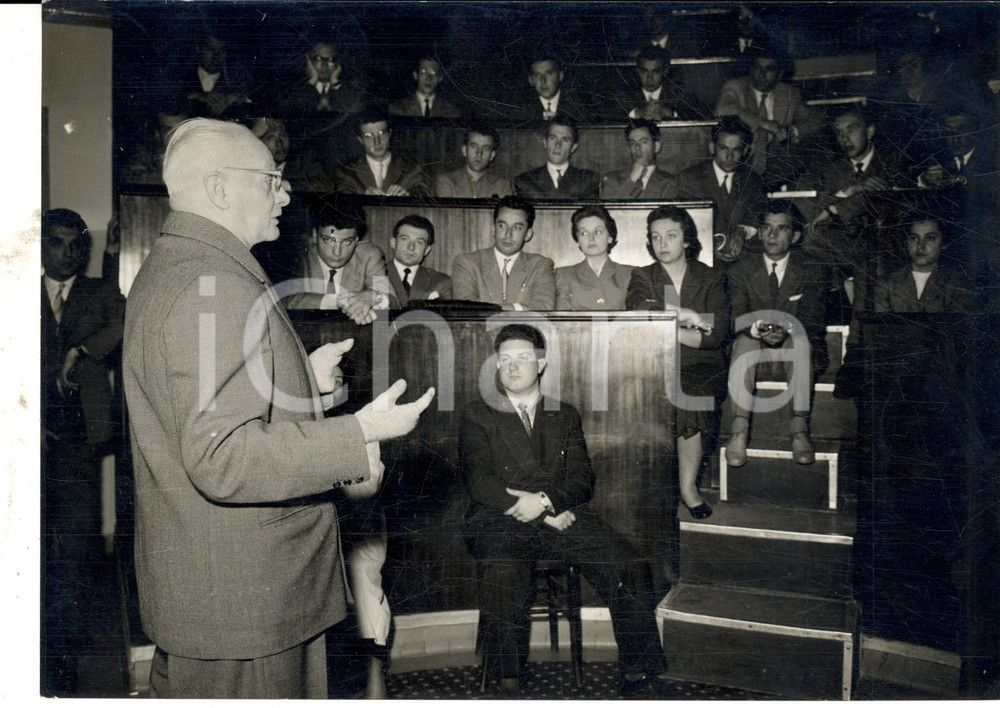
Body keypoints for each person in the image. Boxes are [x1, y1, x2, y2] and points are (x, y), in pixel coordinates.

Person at [122, 117, 434, 698]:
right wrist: (356, 432)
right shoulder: (208, 283)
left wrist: (299, 385)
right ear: (219, 189)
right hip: (247, 601)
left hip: (228, 587)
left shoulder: (187, 266)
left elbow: (199, 406)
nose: (286, 194)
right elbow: (222, 456)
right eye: (271, 180)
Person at [461, 324, 670, 697]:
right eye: (503, 359)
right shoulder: (479, 413)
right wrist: (543, 511)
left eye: (522, 358)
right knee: (504, 570)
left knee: (630, 564)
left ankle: (639, 674)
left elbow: (582, 479)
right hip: (500, 519)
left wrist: (545, 502)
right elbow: (480, 483)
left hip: (562, 517)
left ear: (541, 364)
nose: (511, 367)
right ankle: (506, 680)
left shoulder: (564, 414)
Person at [41, 208, 126, 696]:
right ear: (41, 245)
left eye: (77, 245)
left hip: (76, 442)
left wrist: (82, 351)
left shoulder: (96, 293)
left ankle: (69, 658)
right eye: (57, 242)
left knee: (76, 547)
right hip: (25, 441)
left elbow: (123, 318)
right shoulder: (15, 286)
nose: (68, 253)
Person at [626, 206, 728, 517]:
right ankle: (659, 487)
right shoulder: (643, 275)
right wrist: (684, 317)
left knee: (688, 395)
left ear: (686, 239)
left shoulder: (710, 277)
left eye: (670, 235)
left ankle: (687, 488)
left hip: (702, 365)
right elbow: (636, 313)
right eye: (655, 237)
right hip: (654, 363)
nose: (662, 243)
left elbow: (714, 336)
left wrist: (664, 323)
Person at [723, 201, 827, 468]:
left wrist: (787, 327)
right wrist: (757, 328)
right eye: (767, 228)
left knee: (802, 339)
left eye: (781, 229)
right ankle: (739, 431)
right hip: (754, 355)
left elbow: (814, 320)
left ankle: (799, 430)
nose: (772, 235)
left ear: (795, 236)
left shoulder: (812, 270)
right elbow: (735, 316)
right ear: (759, 232)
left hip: (794, 353)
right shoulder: (740, 270)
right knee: (745, 341)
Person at [796, 105, 905, 304]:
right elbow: (817, 214)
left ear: (870, 131)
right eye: (839, 132)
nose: (844, 138)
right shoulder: (832, 170)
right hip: (848, 247)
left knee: (868, 270)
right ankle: (836, 288)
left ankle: (843, 287)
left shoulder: (891, 162)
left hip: (883, 246)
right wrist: (852, 189)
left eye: (851, 129)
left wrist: (834, 208)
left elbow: (874, 201)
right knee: (811, 237)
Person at [715, 43, 822, 181]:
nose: (762, 74)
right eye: (757, 67)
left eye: (769, 69)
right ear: (751, 69)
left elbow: (816, 120)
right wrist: (764, 123)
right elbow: (723, 109)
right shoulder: (737, 87)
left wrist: (791, 131)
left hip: (777, 169)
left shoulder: (790, 94)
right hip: (739, 166)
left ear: (779, 74)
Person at [284, 199, 398, 323]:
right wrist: (340, 301)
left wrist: (373, 297)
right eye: (328, 240)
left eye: (347, 242)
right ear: (315, 236)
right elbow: (288, 300)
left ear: (357, 240)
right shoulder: (297, 253)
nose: (337, 252)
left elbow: (392, 299)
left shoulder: (369, 255)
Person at [678, 117, 766, 264]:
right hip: (701, 262)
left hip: (742, 265)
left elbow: (757, 216)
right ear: (712, 147)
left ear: (745, 151)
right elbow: (681, 225)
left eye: (736, 150)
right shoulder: (689, 179)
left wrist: (743, 231)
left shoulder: (753, 181)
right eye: (723, 148)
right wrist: (709, 246)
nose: (729, 157)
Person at [452, 195, 555, 310]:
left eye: (517, 228)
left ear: (528, 234)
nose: (508, 235)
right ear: (493, 229)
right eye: (502, 226)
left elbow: (543, 309)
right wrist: (518, 308)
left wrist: (489, 309)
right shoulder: (467, 263)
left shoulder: (540, 265)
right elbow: (466, 309)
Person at [874, 216, 975, 314]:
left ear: (943, 243)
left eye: (930, 238)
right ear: (907, 242)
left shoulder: (958, 284)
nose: (920, 246)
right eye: (914, 238)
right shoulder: (887, 283)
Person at [334, 109, 430, 197]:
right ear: (360, 140)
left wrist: (408, 196)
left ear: (389, 134)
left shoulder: (411, 168)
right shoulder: (346, 172)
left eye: (381, 133)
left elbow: (424, 196)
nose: (377, 141)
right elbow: (343, 203)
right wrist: (362, 198)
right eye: (369, 136)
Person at [554, 205, 633, 311]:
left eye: (598, 231)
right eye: (584, 233)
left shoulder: (630, 274)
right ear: (578, 240)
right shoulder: (564, 275)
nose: (591, 238)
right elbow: (561, 321)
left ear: (610, 237)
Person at [514, 116, 600, 199]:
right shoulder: (525, 180)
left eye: (565, 140)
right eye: (553, 138)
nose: (558, 145)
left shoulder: (588, 179)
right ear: (545, 143)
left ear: (573, 147)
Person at [600, 119, 681, 200]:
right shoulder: (611, 179)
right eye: (632, 143)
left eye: (644, 142)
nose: (637, 147)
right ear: (628, 148)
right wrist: (631, 180)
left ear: (656, 147)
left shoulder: (670, 182)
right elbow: (612, 211)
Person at [284, 40, 367, 115]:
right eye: (318, 59)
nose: (324, 65)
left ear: (337, 63)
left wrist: (335, 82)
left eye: (330, 59)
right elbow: (295, 111)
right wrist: (312, 81)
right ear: (308, 62)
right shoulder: (294, 89)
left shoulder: (348, 89)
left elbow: (354, 110)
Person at [385, 214, 453, 307]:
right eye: (404, 239)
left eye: (419, 242)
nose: (411, 247)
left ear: (427, 250)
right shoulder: (375, 275)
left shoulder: (441, 281)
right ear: (393, 243)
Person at [616, 46, 697, 121]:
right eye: (644, 72)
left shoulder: (679, 93)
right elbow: (609, 116)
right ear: (637, 71)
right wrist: (636, 113)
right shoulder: (623, 94)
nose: (649, 78)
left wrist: (670, 113)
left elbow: (696, 115)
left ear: (665, 71)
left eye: (655, 72)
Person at [509, 54, 594, 124]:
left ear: (560, 76)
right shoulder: (518, 109)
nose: (543, 80)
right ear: (530, 80)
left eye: (549, 73)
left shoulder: (580, 106)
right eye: (537, 75)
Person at [435, 125, 514, 199]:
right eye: (473, 146)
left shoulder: (502, 186)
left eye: (486, 148)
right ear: (464, 151)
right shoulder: (446, 181)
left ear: (492, 155)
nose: (479, 153)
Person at [388, 55, 462, 118]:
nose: (428, 78)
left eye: (433, 73)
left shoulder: (452, 113)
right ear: (415, 75)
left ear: (440, 78)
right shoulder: (397, 109)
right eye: (423, 72)